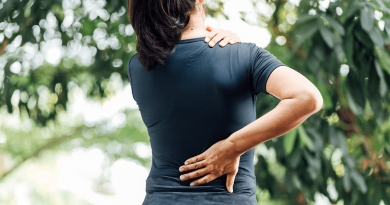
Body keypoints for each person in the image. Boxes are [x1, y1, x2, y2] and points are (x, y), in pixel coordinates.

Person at [127, 0, 324, 204]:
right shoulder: (242, 55)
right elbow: (307, 97)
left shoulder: (138, 67)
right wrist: (232, 147)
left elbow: (186, 63)